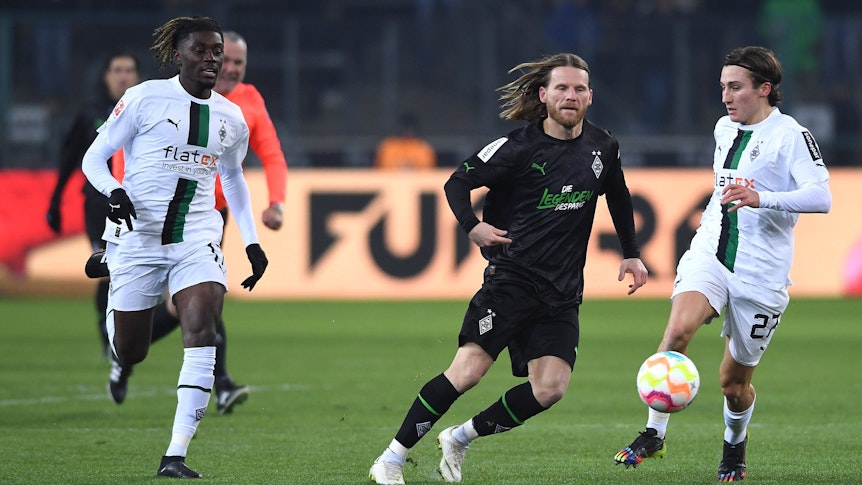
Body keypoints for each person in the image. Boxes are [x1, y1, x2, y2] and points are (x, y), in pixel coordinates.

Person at [368, 52, 648, 484]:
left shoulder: (602, 146)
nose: (570, 96)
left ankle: (460, 437)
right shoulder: (517, 147)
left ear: (590, 96)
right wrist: (472, 226)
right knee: (468, 372)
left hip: (562, 294)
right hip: (511, 281)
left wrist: (630, 251)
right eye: (561, 88)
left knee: (550, 388)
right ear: (544, 94)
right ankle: (391, 457)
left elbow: (619, 195)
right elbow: (457, 181)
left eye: (578, 89)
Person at [613, 46, 831, 482]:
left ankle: (734, 447)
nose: (726, 97)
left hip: (762, 273)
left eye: (735, 87)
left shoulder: (790, 136)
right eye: (722, 88)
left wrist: (761, 197)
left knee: (733, 383)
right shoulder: (722, 128)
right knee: (676, 331)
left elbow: (821, 197)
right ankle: (654, 433)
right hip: (711, 252)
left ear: (764, 89)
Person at [81, 16, 268, 479]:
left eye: (216, 50)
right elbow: (93, 158)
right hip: (138, 237)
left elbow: (234, 178)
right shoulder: (144, 97)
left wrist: (253, 241)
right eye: (201, 50)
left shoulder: (231, 116)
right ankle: (113, 261)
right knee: (130, 351)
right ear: (178, 54)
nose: (212, 58)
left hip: (196, 236)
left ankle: (175, 455)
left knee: (203, 323)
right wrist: (115, 192)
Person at [103, 30, 289, 415]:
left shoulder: (246, 104)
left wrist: (276, 203)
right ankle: (125, 351)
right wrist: (121, 200)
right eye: (226, 59)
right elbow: (127, 153)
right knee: (171, 312)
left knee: (204, 303)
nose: (230, 68)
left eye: (237, 62)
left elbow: (270, 155)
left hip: (206, 219)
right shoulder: (160, 98)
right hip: (147, 216)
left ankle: (218, 386)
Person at [46, 51, 140, 358]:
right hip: (99, 206)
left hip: (137, 206)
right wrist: (55, 201)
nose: (123, 76)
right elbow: (71, 157)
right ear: (106, 76)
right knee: (110, 266)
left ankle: (121, 331)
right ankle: (108, 332)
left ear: (137, 76)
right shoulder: (91, 113)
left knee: (130, 271)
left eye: (129, 70)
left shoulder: (145, 112)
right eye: (117, 70)